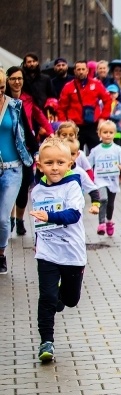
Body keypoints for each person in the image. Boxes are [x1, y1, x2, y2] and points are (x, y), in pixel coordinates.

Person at [29, 137, 87, 362]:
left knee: (70, 300)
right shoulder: (37, 191)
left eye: (60, 163)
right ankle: (46, 342)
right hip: (47, 253)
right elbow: (38, 222)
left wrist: (49, 216)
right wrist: (37, 241)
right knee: (47, 297)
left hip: (72, 253)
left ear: (69, 164)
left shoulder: (73, 186)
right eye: (49, 163)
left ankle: (61, 296)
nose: (55, 168)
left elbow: (73, 215)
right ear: (40, 165)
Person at [6, 67, 51, 238]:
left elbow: (33, 119)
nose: (17, 82)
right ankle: (9, 218)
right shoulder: (4, 101)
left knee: (24, 186)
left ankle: (19, 220)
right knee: (9, 186)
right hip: (8, 150)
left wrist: (48, 137)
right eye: (13, 79)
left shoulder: (26, 99)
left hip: (25, 149)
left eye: (20, 78)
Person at [0, 67, 35, 275]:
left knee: (3, 218)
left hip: (12, 169)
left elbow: (26, 133)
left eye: (1, 87)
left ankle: (1, 254)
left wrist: (38, 152)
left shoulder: (14, 106)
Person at [87, 120, 121, 236]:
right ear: (99, 133)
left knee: (110, 204)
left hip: (113, 181)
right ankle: (101, 224)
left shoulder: (117, 149)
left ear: (114, 134)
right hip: (100, 180)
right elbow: (88, 164)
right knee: (103, 199)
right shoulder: (96, 150)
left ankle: (109, 221)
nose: (108, 135)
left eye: (111, 132)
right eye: (105, 132)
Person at [57, 60, 112, 152]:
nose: (81, 72)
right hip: (75, 127)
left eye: (83, 69)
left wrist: (103, 118)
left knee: (97, 152)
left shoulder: (96, 84)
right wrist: (64, 124)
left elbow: (108, 100)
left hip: (93, 125)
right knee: (75, 153)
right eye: (78, 69)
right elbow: (61, 108)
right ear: (74, 71)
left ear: (87, 70)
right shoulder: (68, 87)